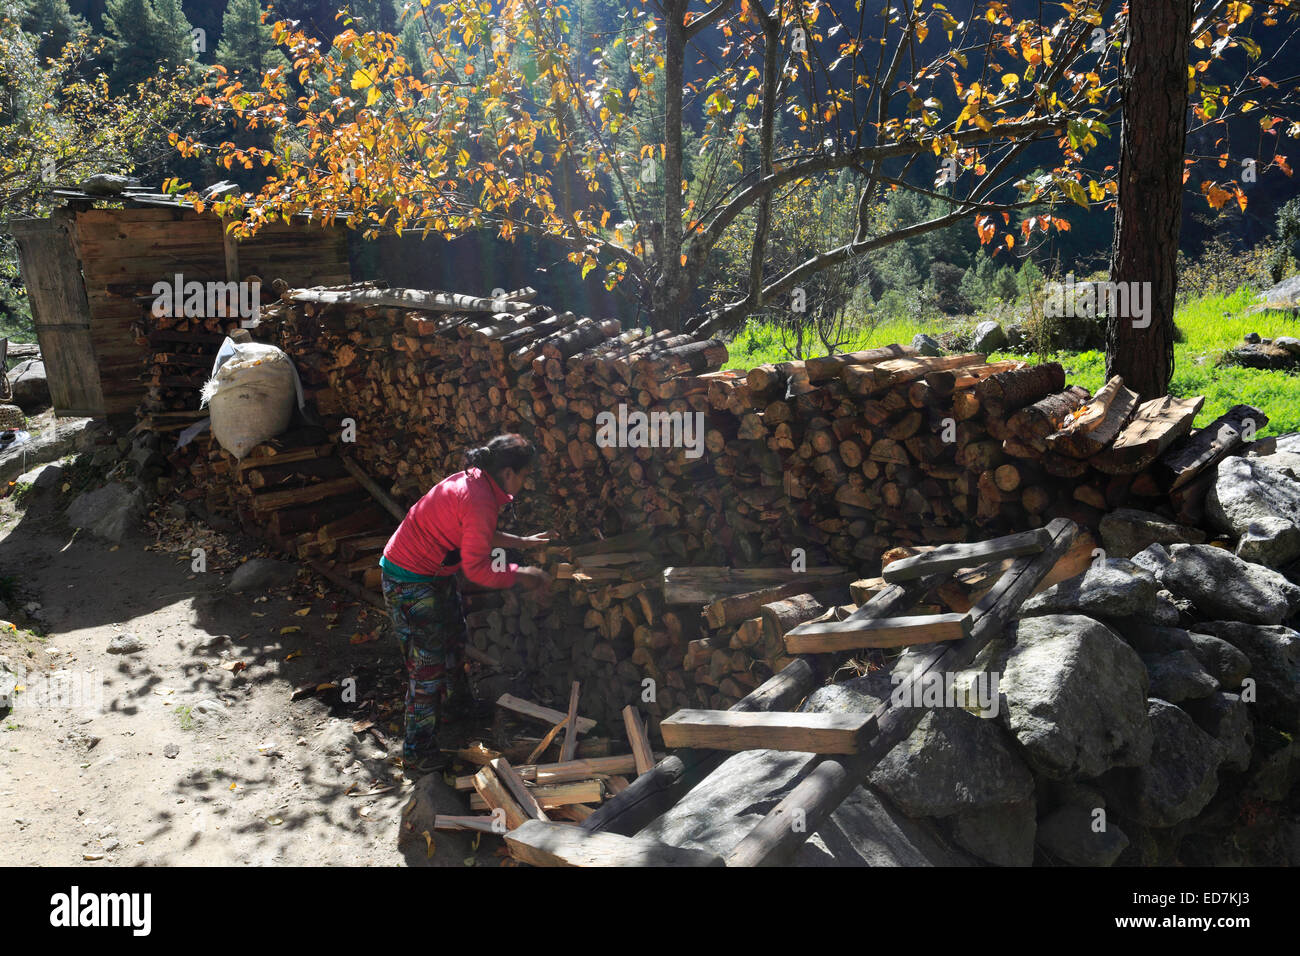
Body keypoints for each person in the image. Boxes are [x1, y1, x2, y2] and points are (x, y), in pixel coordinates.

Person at [380, 433, 552, 776]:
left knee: (455, 639)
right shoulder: (477, 497)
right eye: (525, 473)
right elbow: (476, 568)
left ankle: (456, 707)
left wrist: (520, 542)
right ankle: (416, 751)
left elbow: (478, 532)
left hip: (433, 573)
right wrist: (523, 574)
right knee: (426, 666)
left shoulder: (477, 483)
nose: (525, 481)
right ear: (508, 473)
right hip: (409, 580)